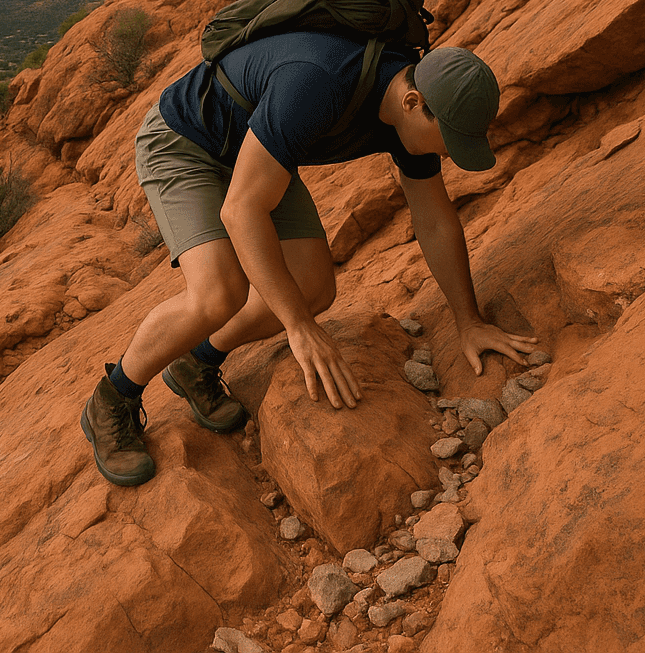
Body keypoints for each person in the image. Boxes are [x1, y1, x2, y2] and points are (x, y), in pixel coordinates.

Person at [81, 31, 539, 486]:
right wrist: (298, 329)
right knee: (219, 293)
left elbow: (435, 221)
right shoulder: (317, 83)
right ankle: (113, 398)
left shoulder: (407, 112)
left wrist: (468, 321)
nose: (448, 152)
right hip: (186, 142)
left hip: (255, 144)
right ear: (414, 102)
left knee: (314, 287)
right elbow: (241, 211)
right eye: (448, 138)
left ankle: (196, 361)